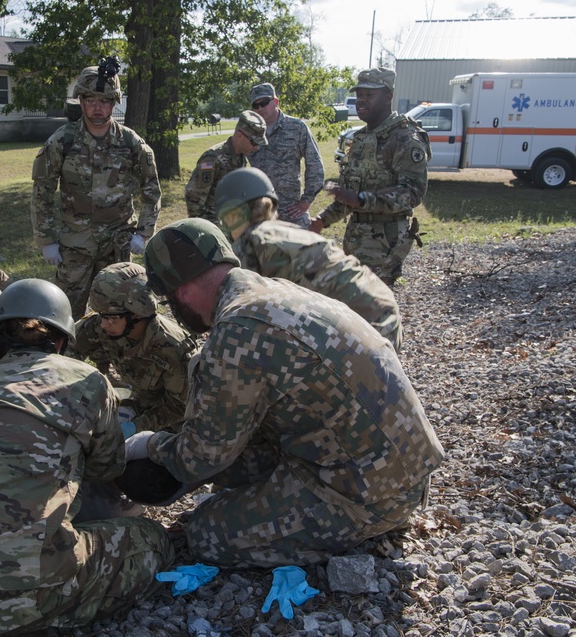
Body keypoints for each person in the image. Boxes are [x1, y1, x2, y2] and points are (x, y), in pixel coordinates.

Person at [131, 218, 443, 568]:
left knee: (206, 533)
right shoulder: (274, 291)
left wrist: (149, 445)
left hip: (374, 492)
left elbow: (203, 456)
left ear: (181, 290)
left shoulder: (238, 331)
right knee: (235, 473)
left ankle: (356, 528)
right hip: (400, 468)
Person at [0, 278, 173, 636]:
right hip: (22, 573)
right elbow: (108, 467)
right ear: (60, 339)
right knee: (151, 539)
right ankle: (11, 612)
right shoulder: (87, 380)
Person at [214, 168, 403, 351]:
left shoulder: (252, 242)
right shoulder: (286, 231)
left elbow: (236, 311)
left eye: (228, 219)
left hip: (365, 331)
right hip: (384, 314)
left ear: (236, 215)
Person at [32, 62, 162, 319]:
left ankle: (107, 360)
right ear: (80, 101)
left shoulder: (130, 142)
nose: (97, 107)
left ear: (114, 103)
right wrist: (46, 241)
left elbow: (151, 189)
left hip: (118, 243)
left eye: (104, 100)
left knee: (119, 312)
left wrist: (143, 233)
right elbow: (42, 192)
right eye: (90, 99)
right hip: (75, 244)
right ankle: (66, 356)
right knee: (64, 311)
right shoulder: (61, 141)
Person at [310, 67, 430, 286]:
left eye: (369, 95)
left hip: (385, 242)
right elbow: (350, 194)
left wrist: (363, 200)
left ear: (388, 97)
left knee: (372, 309)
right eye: (359, 95)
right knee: (353, 307)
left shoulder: (404, 138)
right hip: (356, 238)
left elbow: (413, 192)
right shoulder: (360, 138)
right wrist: (321, 220)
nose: (361, 101)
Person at [72, 262, 198, 434]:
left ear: (137, 313)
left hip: (169, 419)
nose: (102, 324)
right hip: (137, 400)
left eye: (110, 318)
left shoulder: (173, 349)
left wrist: (136, 427)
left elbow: (179, 406)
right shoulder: (106, 323)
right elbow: (67, 349)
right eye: (102, 316)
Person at [247, 82, 325, 229]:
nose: (260, 108)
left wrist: (306, 200)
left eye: (264, 103)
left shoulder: (297, 127)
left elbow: (314, 164)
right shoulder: (250, 132)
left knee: (300, 250)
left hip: (291, 211)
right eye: (255, 105)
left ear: (276, 101)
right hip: (261, 211)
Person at [183, 110, 268, 221]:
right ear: (239, 135)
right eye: (254, 142)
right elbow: (193, 197)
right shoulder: (212, 158)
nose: (256, 147)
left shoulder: (240, 157)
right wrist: (204, 230)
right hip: (212, 226)